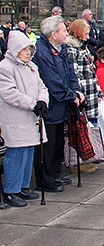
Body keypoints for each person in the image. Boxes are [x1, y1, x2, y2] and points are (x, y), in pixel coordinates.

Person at [33, 16, 85, 192]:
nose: (66, 33)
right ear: (54, 34)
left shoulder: (61, 49)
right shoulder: (42, 52)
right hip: (51, 105)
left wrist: (76, 91)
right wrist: (69, 95)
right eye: (63, 30)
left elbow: (70, 73)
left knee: (58, 142)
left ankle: (55, 174)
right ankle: (46, 179)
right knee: (48, 145)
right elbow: (51, 80)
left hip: (62, 104)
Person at [0, 32, 49, 207]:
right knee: (16, 154)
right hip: (16, 117)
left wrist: (43, 100)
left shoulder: (31, 67)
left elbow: (41, 86)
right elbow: (9, 93)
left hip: (31, 117)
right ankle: (11, 190)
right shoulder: (5, 67)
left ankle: (23, 186)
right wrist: (32, 104)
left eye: (29, 49)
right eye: (24, 49)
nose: (28, 52)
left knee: (28, 152)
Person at [66, 19, 104, 160]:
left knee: (95, 122)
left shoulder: (82, 48)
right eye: (86, 33)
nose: (88, 35)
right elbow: (75, 74)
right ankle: (93, 151)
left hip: (92, 91)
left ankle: (99, 149)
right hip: (85, 93)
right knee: (88, 124)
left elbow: (91, 72)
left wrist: (99, 92)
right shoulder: (72, 50)